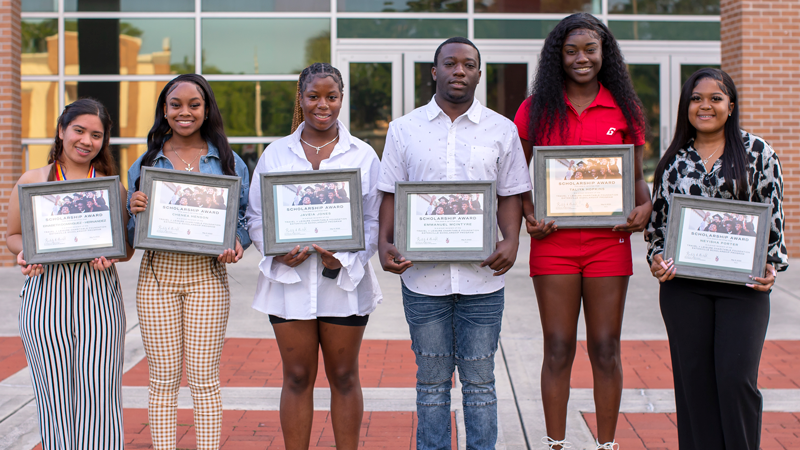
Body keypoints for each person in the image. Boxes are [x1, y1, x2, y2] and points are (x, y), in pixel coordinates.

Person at [377, 37, 531, 450]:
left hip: (482, 282)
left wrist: (512, 240)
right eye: (450, 63)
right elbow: (390, 192)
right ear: (435, 71)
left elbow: (510, 192)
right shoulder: (404, 129)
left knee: (480, 383)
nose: (458, 70)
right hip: (423, 281)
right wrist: (383, 241)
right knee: (431, 384)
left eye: (468, 64)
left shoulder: (502, 129)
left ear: (479, 73)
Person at [512, 13, 651, 450]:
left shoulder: (625, 108)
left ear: (604, 53)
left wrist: (645, 206)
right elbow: (517, 178)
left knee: (606, 348)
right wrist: (530, 214)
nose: (581, 58)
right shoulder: (535, 109)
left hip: (608, 243)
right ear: (557, 56)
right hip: (553, 244)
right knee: (557, 347)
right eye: (570, 50)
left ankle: (606, 445)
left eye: (590, 49)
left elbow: (637, 179)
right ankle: (556, 444)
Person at [647, 68, 786, 450]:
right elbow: (658, 229)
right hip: (684, 288)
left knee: (735, 378)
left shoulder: (758, 152)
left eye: (715, 98)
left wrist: (771, 265)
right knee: (694, 382)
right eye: (696, 98)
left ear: (731, 106)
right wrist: (657, 258)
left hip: (743, 285)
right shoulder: (674, 160)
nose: (704, 105)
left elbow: (772, 217)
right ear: (686, 106)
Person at [245, 62, 382, 450]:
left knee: (343, 375)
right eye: (314, 96)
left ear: (341, 99)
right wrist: (274, 251)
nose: (323, 105)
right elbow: (256, 216)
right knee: (298, 376)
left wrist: (346, 258)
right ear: (301, 99)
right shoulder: (276, 154)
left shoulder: (363, 155)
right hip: (288, 283)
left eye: (331, 97)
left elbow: (373, 220)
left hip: (344, 282)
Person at [126, 73, 251, 450]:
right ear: (164, 111)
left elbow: (243, 217)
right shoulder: (146, 163)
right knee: (162, 379)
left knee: (203, 378)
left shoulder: (228, 162)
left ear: (206, 108)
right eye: (175, 105)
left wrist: (237, 240)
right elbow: (133, 232)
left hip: (207, 279)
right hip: (157, 279)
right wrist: (133, 210)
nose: (185, 112)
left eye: (194, 105)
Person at [4, 98, 134, 449]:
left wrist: (112, 255)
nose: (86, 141)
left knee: (100, 393)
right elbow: (13, 235)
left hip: (98, 297)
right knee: (54, 398)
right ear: (62, 131)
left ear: (104, 141)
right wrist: (25, 253)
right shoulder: (32, 181)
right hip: (46, 296)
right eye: (79, 130)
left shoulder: (111, 186)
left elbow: (126, 247)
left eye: (96, 135)